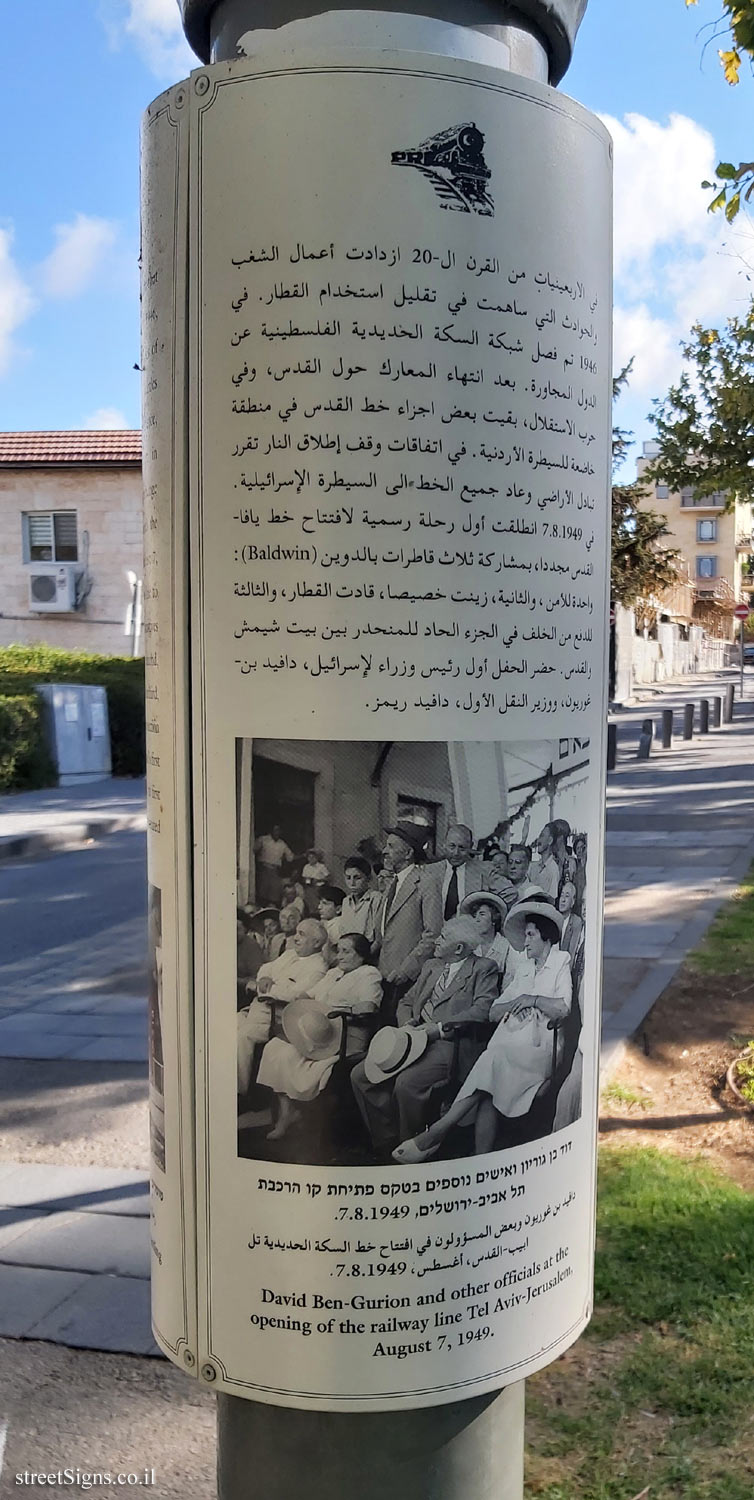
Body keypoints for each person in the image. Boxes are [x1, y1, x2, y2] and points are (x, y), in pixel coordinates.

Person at [393, 902, 571, 1162]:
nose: (526, 940)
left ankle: (438, 1131)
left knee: (491, 1061)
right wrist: (515, 1002)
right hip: (509, 1045)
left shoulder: (560, 961)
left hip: (539, 1047)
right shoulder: (523, 968)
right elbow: (494, 1011)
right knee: (489, 1084)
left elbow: (563, 1007)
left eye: (531, 934)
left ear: (546, 936)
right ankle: (481, 1157)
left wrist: (531, 1000)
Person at [351, 915, 498, 1156]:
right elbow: (406, 1001)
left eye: (443, 937)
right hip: (411, 1037)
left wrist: (439, 1027)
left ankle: (413, 1145)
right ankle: (385, 1140)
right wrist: (406, 1023)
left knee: (407, 1083)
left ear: (459, 948)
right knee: (360, 1075)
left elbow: (483, 1011)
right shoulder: (432, 965)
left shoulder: (483, 969)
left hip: (449, 1043)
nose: (436, 941)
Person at [237, 918, 329, 1092]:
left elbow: (295, 995)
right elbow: (266, 968)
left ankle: (239, 1093)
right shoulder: (291, 954)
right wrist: (264, 978)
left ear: (316, 942)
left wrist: (262, 988)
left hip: (277, 1017)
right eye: (296, 932)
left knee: (242, 1037)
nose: (295, 938)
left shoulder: (318, 967)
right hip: (257, 1009)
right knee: (228, 1025)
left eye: (301, 934)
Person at [374, 824, 443, 1017]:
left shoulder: (426, 883)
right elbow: (383, 931)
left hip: (406, 979)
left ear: (408, 853)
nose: (385, 851)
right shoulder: (393, 883)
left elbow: (433, 935)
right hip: (383, 974)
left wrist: (406, 970)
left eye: (391, 846)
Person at [257, 998, 343, 1140]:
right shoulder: (335, 976)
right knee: (273, 1046)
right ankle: (286, 1110)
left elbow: (368, 1008)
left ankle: (286, 1115)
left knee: (288, 1055)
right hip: (314, 1020)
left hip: (323, 1032)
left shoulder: (368, 978)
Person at [309, 932, 383, 1058]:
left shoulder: (368, 974)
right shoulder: (334, 973)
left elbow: (367, 1009)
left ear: (361, 955)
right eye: (338, 951)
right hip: (318, 1032)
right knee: (277, 1047)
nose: (339, 957)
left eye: (346, 951)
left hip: (345, 1037)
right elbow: (309, 995)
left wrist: (330, 1014)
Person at [422, 824, 487, 920]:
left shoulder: (483, 871)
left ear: (471, 847)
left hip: (468, 932)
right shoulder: (429, 871)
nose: (456, 853)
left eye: (462, 848)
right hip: (436, 932)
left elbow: (509, 895)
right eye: (452, 846)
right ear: (444, 844)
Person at [459, 892, 510, 975]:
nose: (477, 919)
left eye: (482, 914)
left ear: (494, 919)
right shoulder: (468, 946)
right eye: (474, 916)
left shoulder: (506, 946)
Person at [341, 856, 382, 948]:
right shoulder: (346, 901)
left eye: (357, 878)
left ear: (368, 878)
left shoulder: (376, 899)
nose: (352, 883)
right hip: (348, 949)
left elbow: (379, 936)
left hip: (369, 949)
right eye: (348, 878)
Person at [254, 824, 294, 905]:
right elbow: (253, 851)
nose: (277, 832)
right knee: (262, 893)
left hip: (275, 871)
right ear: (271, 830)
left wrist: (303, 855)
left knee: (274, 894)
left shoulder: (282, 843)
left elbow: (290, 857)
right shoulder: (263, 839)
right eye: (275, 830)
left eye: (279, 830)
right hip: (264, 869)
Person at [528, 824, 560, 901]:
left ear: (550, 840)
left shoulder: (553, 869)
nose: (538, 840)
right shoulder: (532, 867)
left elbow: (552, 898)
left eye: (542, 836)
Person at [558, 881, 584, 967]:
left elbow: (571, 955)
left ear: (573, 901)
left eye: (567, 896)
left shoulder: (576, 922)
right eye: (562, 895)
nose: (563, 900)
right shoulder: (554, 918)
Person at [318, 884, 345, 958]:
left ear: (338, 909)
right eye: (319, 903)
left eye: (325, 903)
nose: (319, 907)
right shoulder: (325, 922)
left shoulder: (338, 926)